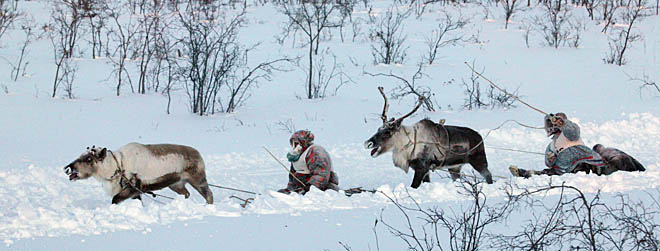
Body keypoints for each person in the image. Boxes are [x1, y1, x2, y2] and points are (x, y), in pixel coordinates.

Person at [510, 113, 605, 178]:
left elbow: (573, 133)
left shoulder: (567, 133)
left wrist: (563, 124)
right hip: (566, 169)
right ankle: (525, 174)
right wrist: (551, 159)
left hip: (587, 162)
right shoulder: (551, 146)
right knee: (547, 173)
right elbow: (548, 164)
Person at [277, 130, 339, 194]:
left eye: (296, 143)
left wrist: (310, 189)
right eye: (292, 143)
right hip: (301, 189)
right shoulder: (298, 154)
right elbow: (293, 174)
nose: (294, 146)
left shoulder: (316, 151)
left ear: (303, 142)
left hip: (320, 189)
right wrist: (291, 189)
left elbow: (321, 174)